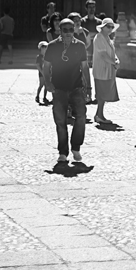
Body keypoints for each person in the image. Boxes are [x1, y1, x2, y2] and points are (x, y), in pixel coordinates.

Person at [45, 18, 88, 163]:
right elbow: (46, 67)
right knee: (60, 121)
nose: (69, 33)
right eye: (65, 30)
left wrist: (88, 87)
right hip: (59, 88)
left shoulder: (80, 46)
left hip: (77, 87)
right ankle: (63, 152)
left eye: (71, 29)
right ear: (60, 31)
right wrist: (47, 82)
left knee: (81, 117)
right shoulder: (52, 46)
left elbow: (85, 67)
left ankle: (76, 147)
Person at [92, 18, 120, 123]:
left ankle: (99, 115)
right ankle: (99, 115)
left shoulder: (107, 38)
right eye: (108, 26)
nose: (110, 29)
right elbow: (103, 54)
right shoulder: (99, 37)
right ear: (103, 27)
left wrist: (116, 60)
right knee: (101, 94)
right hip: (101, 69)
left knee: (103, 94)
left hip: (107, 70)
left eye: (112, 27)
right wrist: (114, 62)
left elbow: (112, 53)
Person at [82, 0, 102, 104]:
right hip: (85, 50)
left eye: (93, 7)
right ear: (86, 8)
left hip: (97, 51)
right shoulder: (82, 21)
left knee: (97, 73)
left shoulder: (99, 22)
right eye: (89, 7)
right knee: (85, 74)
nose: (92, 9)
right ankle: (86, 94)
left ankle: (97, 95)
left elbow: (100, 36)